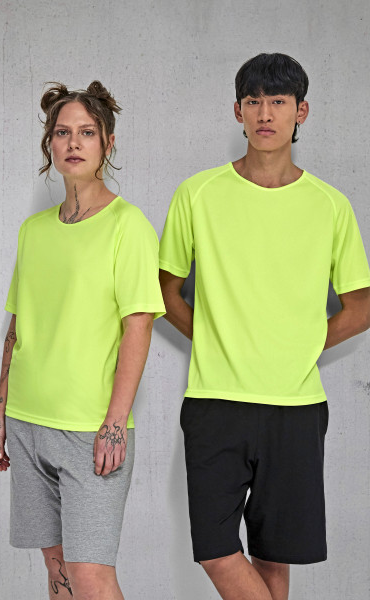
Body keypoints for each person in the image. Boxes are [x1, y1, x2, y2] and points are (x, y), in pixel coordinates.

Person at [159, 53, 370, 600]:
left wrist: (301, 345)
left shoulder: (330, 205)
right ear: (238, 111)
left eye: (278, 101)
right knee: (215, 549)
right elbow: (163, 290)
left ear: (302, 111)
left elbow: (361, 305)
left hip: (295, 407)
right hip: (214, 400)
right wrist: (214, 336)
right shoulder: (197, 193)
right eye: (253, 101)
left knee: (274, 555)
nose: (265, 113)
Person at [0, 81, 165, 600]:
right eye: (62, 132)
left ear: (108, 142)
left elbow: (139, 325)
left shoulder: (128, 226)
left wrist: (115, 425)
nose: (73, 143)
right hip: (28, 421)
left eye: (87, 132)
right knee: (58, 569)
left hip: (90, 428)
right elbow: (17, 329)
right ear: (50, 143)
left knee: (90, 574)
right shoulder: (34, 230)